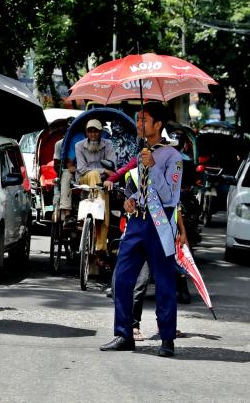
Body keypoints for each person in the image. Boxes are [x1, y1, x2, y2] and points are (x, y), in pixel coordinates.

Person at [101, 102, 183, 357]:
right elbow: (145, 190)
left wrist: (152, 166)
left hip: (160, 225)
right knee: (122, 279)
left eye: (143, 119)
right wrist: (132, 198)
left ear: (158, 124)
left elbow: (170, 196)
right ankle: (124, 333)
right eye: (137, 119)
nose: (138, 124)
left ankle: (167, 339)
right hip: (137, 222)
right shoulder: (142, 153)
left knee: (165, 284)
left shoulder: (173, 157)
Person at [74, 119, 117, 251]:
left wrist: (106, 173)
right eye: (90, 131)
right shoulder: (79, 145)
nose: (93, 134)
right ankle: (99, 206)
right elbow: (81, 169)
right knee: (93, 174)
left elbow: (112, 164)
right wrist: (103, 170)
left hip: (103, 183)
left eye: (96, 131)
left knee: (105, 195)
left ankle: (101, 245)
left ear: (100, 132)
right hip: (84, 180)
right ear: (86, 132)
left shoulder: (108, 144)